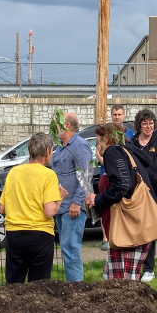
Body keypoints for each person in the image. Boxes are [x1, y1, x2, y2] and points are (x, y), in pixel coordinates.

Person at [86, 123, 157, 280]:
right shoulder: (130, 151)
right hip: (135, 225)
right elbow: (152, 179)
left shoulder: (113, 152)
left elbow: (122, 186)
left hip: (126, 227)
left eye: (99, 141)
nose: (98, 146)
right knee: (122, 281)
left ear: (107, 139)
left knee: (121, 282)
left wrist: (97, 198)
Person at [0, 133, 68, 283]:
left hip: (14, 234)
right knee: (39, 286)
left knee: (13, 284)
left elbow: (2, 208)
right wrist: (60, 198)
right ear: (47, 152)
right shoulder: (48, 175)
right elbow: (49, 212)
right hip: (40, 235)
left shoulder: (13, 173)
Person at [130, 109, 157, 283]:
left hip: (155, 194)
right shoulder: (132, 143)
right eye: (145, 123)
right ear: (139, 125)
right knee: (136, 231)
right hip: (136, 195)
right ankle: (134, 266)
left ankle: (149, 269)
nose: (149, 126)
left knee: (150, 232)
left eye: (151, 123)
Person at [52, 113, 93, 283]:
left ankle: (76, 289)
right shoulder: (60, 146)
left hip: (72, 208)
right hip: (61, 206)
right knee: (66, 248)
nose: (55, 128)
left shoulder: (80, 146)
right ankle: (72, 286)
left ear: (67, 125)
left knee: (71, 248)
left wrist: (77, 202)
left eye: (57, 124)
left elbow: (85, 177)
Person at [95, 105, 135, 252]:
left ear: (124, 115)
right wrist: (107, 162)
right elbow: (98, 153)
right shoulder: (104, 131)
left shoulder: (128, 132)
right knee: (105, 207)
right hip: (105, 173)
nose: (117, 117)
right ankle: (106, 238)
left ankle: (119, 236)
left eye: (119, 114)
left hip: (118, 176)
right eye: (114, 114)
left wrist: (112, 163)